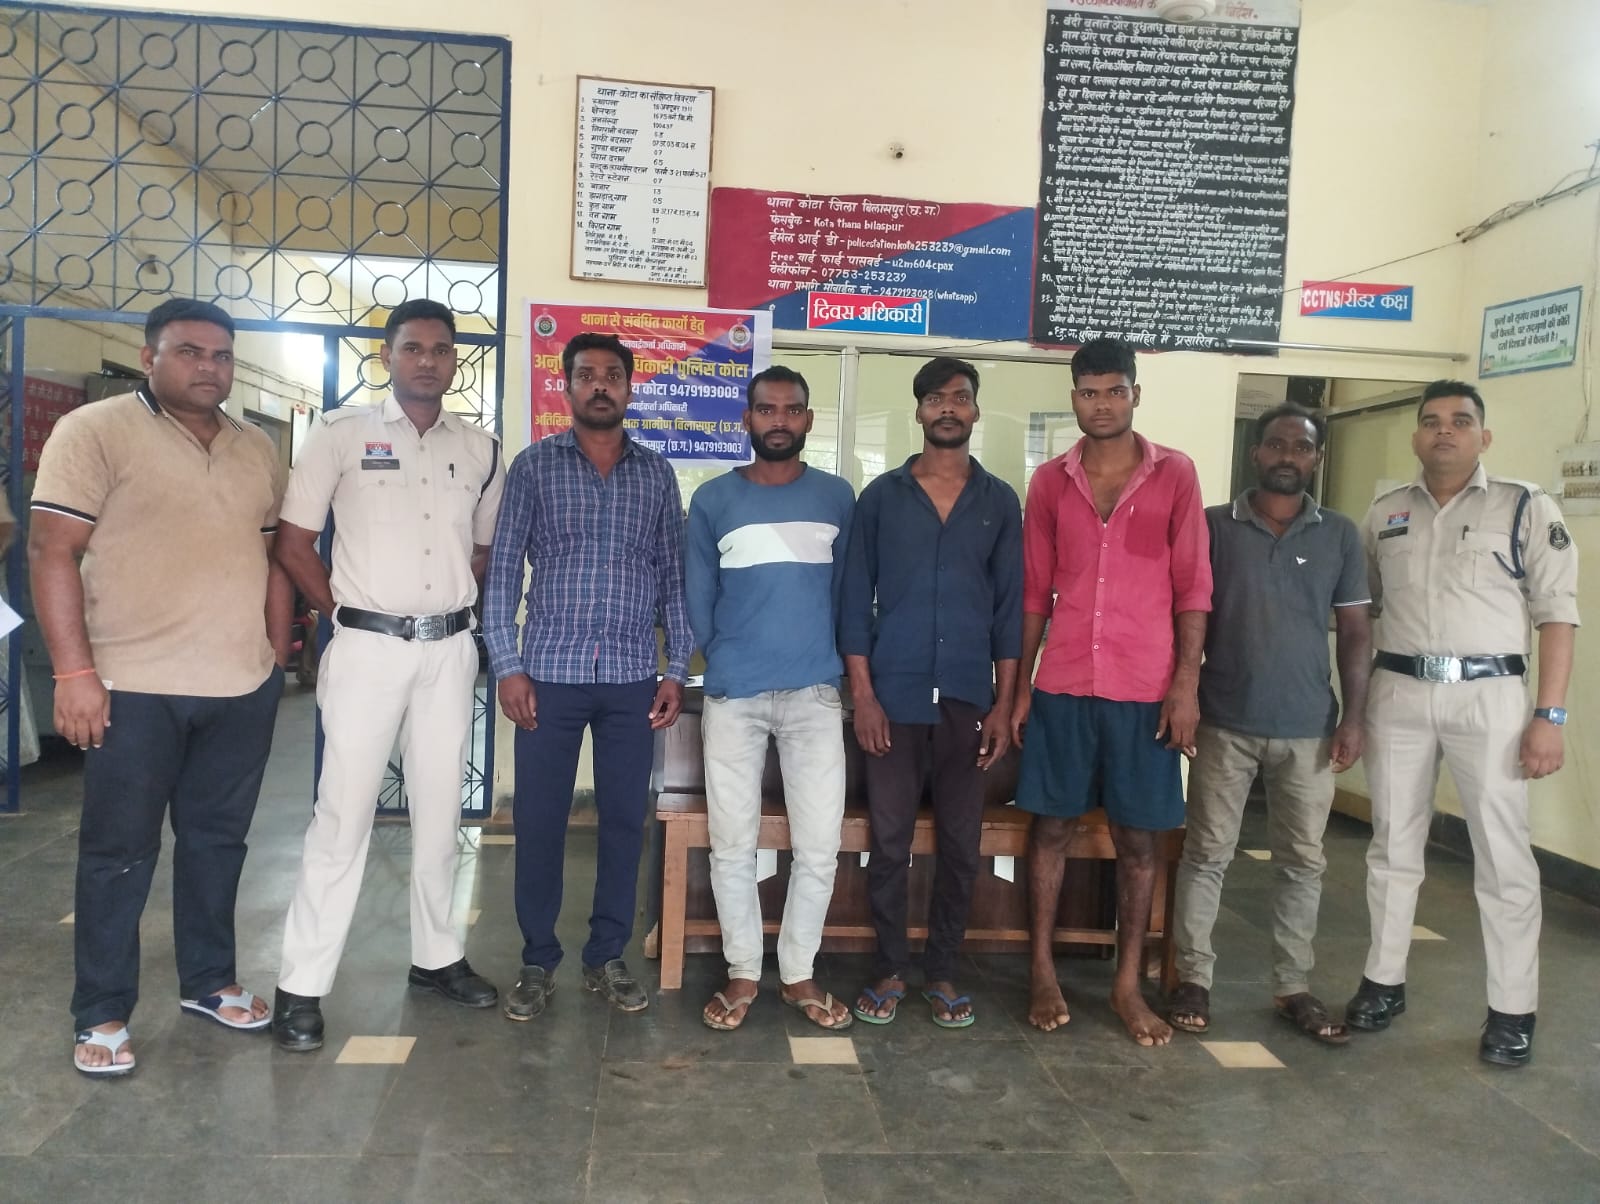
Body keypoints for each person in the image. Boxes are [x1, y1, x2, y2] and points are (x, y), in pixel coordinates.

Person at [29, 299, 290, 1076]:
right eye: (189, 352)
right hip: (131, 687)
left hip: (238, 686)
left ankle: (209, 982)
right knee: (119, 852)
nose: (208, 366)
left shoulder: (255, 449)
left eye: (221, 355)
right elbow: (51, 551)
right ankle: (102, 1011)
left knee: (217, 844)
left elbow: (270, 557)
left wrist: (274, 657)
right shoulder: (95, 431)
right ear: (149, 357)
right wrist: (75, 673)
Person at [271, 299, 505, 1052]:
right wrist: (339, 612)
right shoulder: (341, 434)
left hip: (448, 653)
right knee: (343, 816)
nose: (427, 361)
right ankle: (301, 985)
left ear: (455, 360)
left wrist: (446, 607)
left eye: (441, 349)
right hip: (367, 649)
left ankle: (436, 958)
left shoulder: (481, 449)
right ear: (388, 355)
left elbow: (482, 551)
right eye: (413, 348)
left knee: (441, 811)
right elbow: (294, 542)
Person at [1345, 380, 1578, 1067]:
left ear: (1484, 436)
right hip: (1400, 692)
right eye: (1431, 421)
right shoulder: (1386, 512)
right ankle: (1382, 981)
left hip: (1491, 696)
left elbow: (1557, 617)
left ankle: (1512, 1010)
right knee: (1392, 843)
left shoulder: (1524, 506)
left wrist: (1550, 716)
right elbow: (1363, 610)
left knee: (1503, 856)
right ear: (1416, 436)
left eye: (1460, 420)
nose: (1444, 430)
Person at [484, 332, 692, 1021]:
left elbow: (673, 578)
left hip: (632, 676)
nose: (600, 385)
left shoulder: (656, 474)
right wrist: (507, 666)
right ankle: (538, 960)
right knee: (540, 820)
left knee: (624, 821)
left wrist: (675, 667)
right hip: (548, 673)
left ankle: (607, 956)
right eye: (586, 374)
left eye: (612, 375)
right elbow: (503, 571)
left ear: (629, 388)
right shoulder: (534, 467)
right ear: (566, 386)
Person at [1010, 336, 1211, 1046]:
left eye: (1115, 391)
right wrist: (1021, 688)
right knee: (1051, 829)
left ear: (1135, 395)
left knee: (1138, 840)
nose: (1102, 404)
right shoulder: (1049, 482)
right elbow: (1034, 592)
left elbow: (1193, 587)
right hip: (1064, 681)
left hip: (1144, 688)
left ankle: (1127, 985)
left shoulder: (1175, 474)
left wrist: (1185, 686)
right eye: (1090, 393)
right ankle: (1042, 971)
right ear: (1074, 398)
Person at [1167, 405, 1371, 1045]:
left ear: (1316, 459)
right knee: (1206, 855)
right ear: (1256, 453)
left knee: (1303, 863)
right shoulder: (1212, 527)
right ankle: (1192, 979)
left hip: (1309, 726)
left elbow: (1356, 632)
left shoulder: (1340, 535)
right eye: (1277, 444)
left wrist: (1354, 717)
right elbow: (1186, 617)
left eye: (1301, 447)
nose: (1288, 455)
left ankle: (1292, 987)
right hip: (1224, 720)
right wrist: (1185, 695)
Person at [840, 357, 1022, 1029]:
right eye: (936, 398)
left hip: (970, 700)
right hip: (893, 697)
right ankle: (889, 968)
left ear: (975, 411)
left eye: (960, 397)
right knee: (889, 843)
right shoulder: (881, 499)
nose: (949, 407)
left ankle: (942, 969)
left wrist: (1004, 704)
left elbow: (1010, 611)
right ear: (919, 411)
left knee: (961, 845)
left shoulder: (999, 502)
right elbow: (853, 603)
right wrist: (864, 696)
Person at [685, 365, 857, 1032]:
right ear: (748, 419)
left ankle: (798, 973)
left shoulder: (838, 497)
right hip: (735, 694)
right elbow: (699, 599)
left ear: (808, 420)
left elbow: (847, 596)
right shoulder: (714, 500)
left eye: (791, 409)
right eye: (766, 409)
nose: (779, 420)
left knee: (819, 846)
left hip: (816, 694)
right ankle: (741, 972)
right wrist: (728, 659)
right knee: (733, 843)